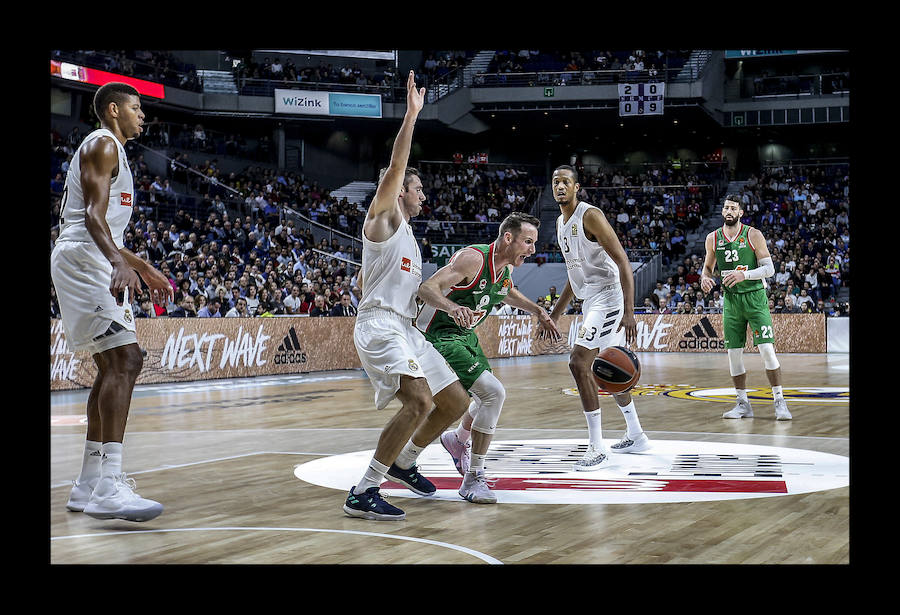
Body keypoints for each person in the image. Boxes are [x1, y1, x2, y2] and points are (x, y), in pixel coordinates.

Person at [344, 71, 471, 521]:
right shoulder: (382, 218)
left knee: (455, 402)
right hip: (379, 325)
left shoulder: (412, 240)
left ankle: (404, 461)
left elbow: (410, 287)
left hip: (407, 328)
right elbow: (397, 166)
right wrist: (411, 116)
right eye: (416, 187)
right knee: (419, 401)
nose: (423, 193)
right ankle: (364, 489)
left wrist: (446, 301)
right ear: (399, 190)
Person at [50, 82, 172, 522]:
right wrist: (117, 264)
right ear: (114, 110)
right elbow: (92, 217)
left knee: (111, 366)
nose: (144, 115)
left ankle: (87, 483)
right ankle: (109, 486)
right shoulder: (103, 144)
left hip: (88, 255)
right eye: (138, 108)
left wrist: (141, 266)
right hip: (85, 257)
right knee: (127, 361)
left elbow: (106, 228)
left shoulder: (112, 150)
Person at [417, 212, 561, 503]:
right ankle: (473, 479)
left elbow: (507, 294)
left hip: (465, 337)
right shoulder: (475, 259)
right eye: (528, 242)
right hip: (438, 335)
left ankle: (457, 441)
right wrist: (451, 307)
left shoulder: (504, 269)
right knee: (494, 394)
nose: (533, 250)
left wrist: (538, 311)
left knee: (486, 398)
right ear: (508, 238)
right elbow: (426, 288)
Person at [547, 165, 650, 471]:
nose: (560, 186)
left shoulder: (589, 215)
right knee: (607, 368)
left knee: (579, 363)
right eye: (555, 182)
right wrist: (555, 312)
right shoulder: (559, 223)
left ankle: (597, 447)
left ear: (576, 187)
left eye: (565, 182)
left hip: (609, 296)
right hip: (591, 299)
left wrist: (629, 311)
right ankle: (636, 434)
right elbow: (572, 273)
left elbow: (623, 262)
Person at [700, 194, 792, 420]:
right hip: (731, 301)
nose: (729, 211)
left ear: (741, 212)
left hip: (755, 297)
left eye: (733, 208)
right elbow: (707, 268)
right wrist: (704, 278)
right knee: (733, 355)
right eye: (726, 208)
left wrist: (745, 275)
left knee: (767, 350)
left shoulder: (753, 234)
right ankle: (742, 404)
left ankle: (779, 401)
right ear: (722, 212)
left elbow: (770, 270)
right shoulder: (713, 238)